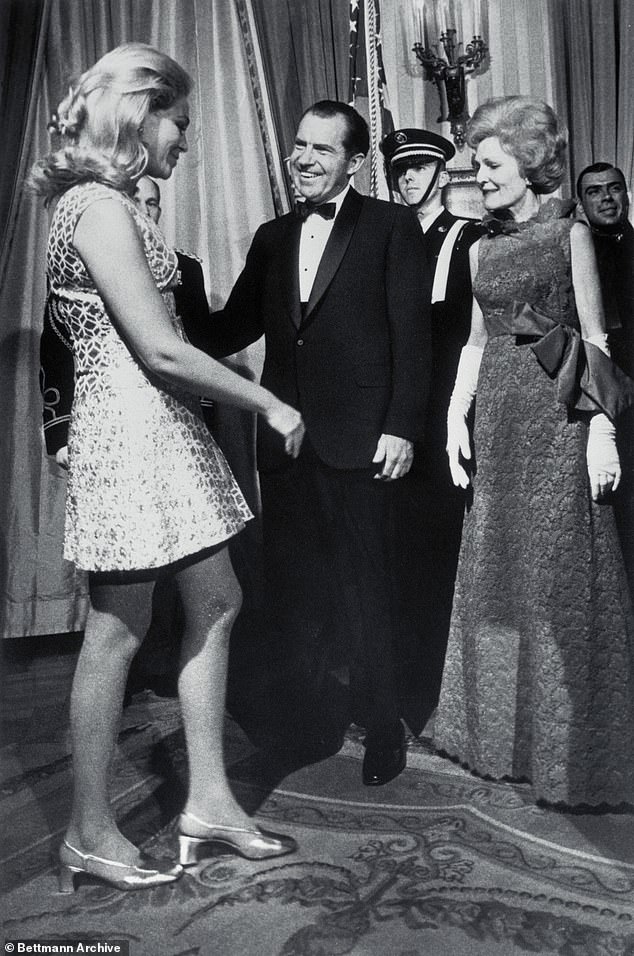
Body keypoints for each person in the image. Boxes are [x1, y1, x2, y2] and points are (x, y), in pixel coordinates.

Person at [31, 42, 303, 892]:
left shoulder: (116, 204)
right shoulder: (98, 209)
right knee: (117, 630)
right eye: (179, 123)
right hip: (130, 435)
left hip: (163, 431)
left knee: (218, 600)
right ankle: (87, 830)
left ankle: (210, 801)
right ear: (140, 113)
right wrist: (269, 403)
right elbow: (160, 347)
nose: (185, 142)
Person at [209, 100, 432, 786]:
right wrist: (163, 290)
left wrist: (400, 426)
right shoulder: (273, 236)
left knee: (367, 589)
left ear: (355, 161)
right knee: (296, 589)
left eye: (322, 150)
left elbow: (412, 336)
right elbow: (229, 330)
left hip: (363, 440)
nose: (304, 159)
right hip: (287, 444)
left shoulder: (392, 226)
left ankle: (383, 724)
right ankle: (303, 724)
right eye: (298, 146)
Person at [433, 96, 634, 807]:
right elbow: (479, 337)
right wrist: (458, 414)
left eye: (491, 164)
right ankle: (502, 741)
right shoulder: (480, 247)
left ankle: (570, 753)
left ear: (527, 165)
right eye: (477, 163)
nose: (479, 176)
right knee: (500, 567)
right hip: (500, 420)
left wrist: (601, 431)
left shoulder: (568, 234)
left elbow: (593, 334)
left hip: (556, 416)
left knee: (558, 575)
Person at [39, 175, 216, 696]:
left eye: (152, 204)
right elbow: (58, 348)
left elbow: (197, 339)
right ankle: (139, 674)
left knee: (213, 596)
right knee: (119, 621)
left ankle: (201, 759)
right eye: (135, 201)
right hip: (120, 428)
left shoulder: (184, 267)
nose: (143, 211)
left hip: (178, 424)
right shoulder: (94, 220)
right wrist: (61, 432)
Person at [380, 128, 483, 718]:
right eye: (401, 170)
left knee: (440, 542)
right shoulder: (385, 237)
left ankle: (440, 688)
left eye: (420, 168)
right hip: (393, 411)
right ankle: (403, 684)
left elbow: (475, 337)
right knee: (397, 547)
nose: (410, 178)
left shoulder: (469, 238)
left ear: (443, 174)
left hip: (446, 409)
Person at [576, 162, 634, 595]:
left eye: (614, 188)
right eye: (595, 192)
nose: (607, 198)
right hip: (601, 398)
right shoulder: (577, 254)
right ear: (582, 202)